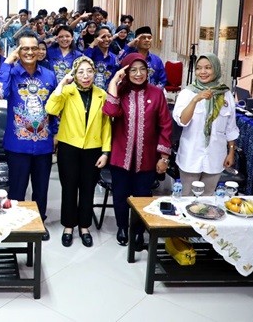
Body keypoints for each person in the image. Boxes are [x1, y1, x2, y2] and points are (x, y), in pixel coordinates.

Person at [102, 53, 172, 249]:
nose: (138, 74)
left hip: (147, 157)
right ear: (125, 72)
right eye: (133, 70)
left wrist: (164, 157)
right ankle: (122, 228)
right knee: (120, 195)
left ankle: (139, 231)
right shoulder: (120, 91)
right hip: (120, 157)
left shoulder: (156, 94)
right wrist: (114, 82)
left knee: (143, 196)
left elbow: (165, 125)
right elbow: (110, 111)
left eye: (142, 69)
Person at [45, 56, 111, 248]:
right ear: (74, 74)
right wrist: (61, 85)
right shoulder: (67, 91)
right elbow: (50, 108)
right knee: (69, 188)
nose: (85, 76)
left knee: (88, 188)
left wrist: (106, 152)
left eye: (89, 71)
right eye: (80, 72)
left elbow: (107, 125)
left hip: (93, 148)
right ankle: (68, 226)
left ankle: (84, 227)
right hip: (69, 147)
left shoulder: (101, 94)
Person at [0, 30, 57, 240]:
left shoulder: (49, 75)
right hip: (17, 144)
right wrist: (7, 63)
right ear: (18, 50)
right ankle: (16, 224)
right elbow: (0, 92)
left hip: (43, 143)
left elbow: (55, 108)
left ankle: (39, 223)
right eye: (25, 48)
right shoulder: (11, 73)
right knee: (17, 189)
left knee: (41, 189)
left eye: (34, 48)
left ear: (40, 50)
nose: (30, 52)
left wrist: (56, 133)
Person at [172, 53, 239, 197]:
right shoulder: (187, 93)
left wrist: (231, 152)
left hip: (215, 157)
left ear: (216, 69)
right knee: (187, 197)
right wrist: (195, 100)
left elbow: (231, 127)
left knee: (208, 198)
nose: (202, 72)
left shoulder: (225, 94)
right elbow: (182, 121)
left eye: (208, 68)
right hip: (191, 156)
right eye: (199, 68)